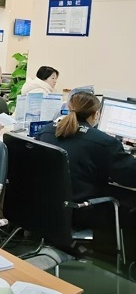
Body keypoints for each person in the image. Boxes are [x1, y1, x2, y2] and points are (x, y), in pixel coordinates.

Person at [36, 91, 136, 231]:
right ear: (96, 114)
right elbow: (130, 177)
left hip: (43, 204)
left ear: (69, 108)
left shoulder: (46, 131)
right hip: (80, 209)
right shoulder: (104, 142)